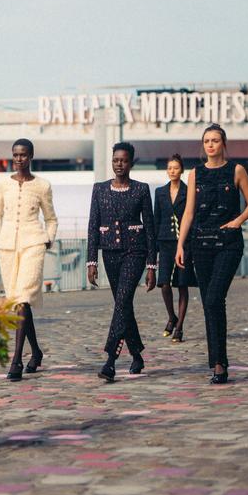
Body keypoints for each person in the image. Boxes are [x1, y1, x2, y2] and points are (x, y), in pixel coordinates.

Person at [175, 124, 248, 384]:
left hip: (228, 245)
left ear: (223, 143)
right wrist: (180, 244)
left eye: (215, 140)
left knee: (213, 299)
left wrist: (238, 221)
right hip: (201, 245)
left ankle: (220, 364)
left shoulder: (237, 170)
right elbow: (188, 212)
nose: (210, 145)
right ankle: (218, 362)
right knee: (211, 303)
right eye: (207, 141)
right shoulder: (195, 174)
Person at [86, 142, 157, 382]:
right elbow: (93, 226)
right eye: (116, 160)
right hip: (110, 253)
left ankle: (110, 361)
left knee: (122, 302)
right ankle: (136, 354)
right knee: (123, 305)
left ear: (131, 163)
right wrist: (91, 261)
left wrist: (151, 265)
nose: (119, 164)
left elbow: (150, 228)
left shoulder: (141, 189)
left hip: (135, 252)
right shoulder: (100, 189)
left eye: (124, 160)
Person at [0, 138, 58, 382]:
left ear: (31, 157)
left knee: (23, 298)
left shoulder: (42, 185)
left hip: (33, 245)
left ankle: (16, 359)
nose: (19, 159)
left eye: (24, 155)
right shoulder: (2, 184)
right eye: (16, 155)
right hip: (7, 247)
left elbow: (51, 218)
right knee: (19, 302)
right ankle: (36, 352)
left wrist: (47, 239)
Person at [154, 154, 194, 343]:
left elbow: (193, 217)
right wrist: (153, 249)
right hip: (165, 241)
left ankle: (179, 327)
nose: (172, 171)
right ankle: (172, 316)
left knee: (182, 284)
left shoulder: (188, 192)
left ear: (182, 170)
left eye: (176, 168)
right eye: (170, 168)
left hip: (184, 243)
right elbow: (156, 220)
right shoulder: (160, 192)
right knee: (164, 283)